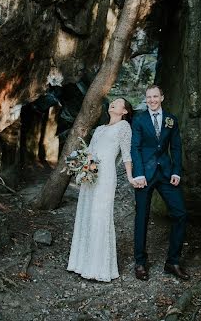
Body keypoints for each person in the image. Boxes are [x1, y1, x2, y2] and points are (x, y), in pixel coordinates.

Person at [67, 97, 134, 282]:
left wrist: (129, 177)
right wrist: (80, 166)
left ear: (125, 111)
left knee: (99, 216)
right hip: (91, 174)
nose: (113, 103)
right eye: (113, 101)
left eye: (118, 102)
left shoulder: (124, 127)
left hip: (106, 177)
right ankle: (81, 264)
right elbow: (89, 150)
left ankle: (99, 268)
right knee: (87, 214)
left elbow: (127, 154)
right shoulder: (100, 129)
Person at [131, 85, 189, 281]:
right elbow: (135, 147)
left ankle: (172, 262)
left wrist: (176, 171)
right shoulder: (139, 119)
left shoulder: (171, 119)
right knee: (141, 217)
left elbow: (177, 147)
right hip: (144, 175)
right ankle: (140, 262)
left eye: (155, 96)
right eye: (149, 97)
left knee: (180, 213)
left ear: (162, 97)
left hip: (165, 173)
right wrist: (138, 174)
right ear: (146, 99)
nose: (152, 100)